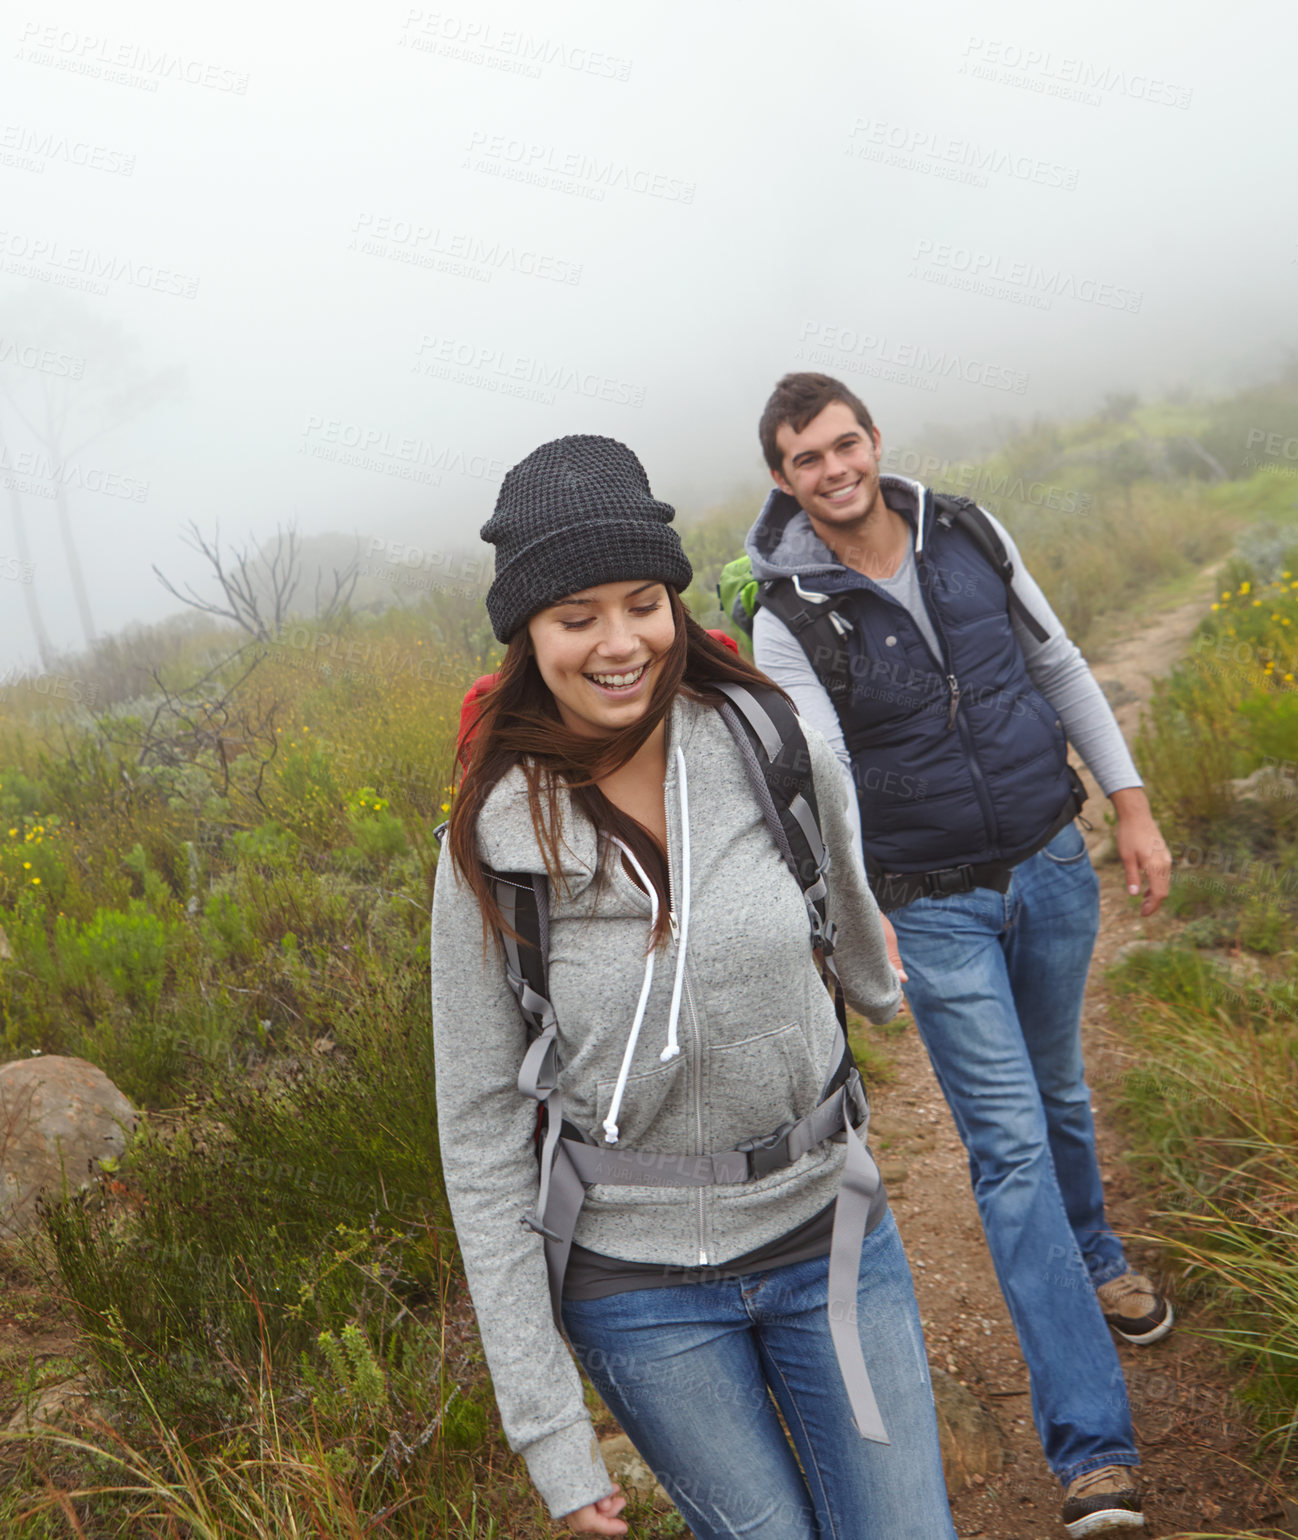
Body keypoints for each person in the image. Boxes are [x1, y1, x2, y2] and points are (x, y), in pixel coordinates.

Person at [431, 434, 957, 1539]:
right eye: (576, 618)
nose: (619, 644)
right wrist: (548, 1433)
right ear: (526, 634)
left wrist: (872, 987)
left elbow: (840, 893)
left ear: (674, 601)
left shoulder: (764, 738)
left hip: (829, 1234)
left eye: (641, 603)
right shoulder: (490, 836)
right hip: (639, 1295)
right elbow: (481, 1138)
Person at [744, 372, 1173, 1538]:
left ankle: (1095, 1252)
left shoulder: (969, 530)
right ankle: (1093, 1450)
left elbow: (1058, 665)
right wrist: (851, 903)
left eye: (844, 445)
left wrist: (1128, 805)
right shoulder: (786, 614)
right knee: (1008, 1150)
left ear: (872, 440)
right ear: (780, 478)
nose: (833, 471)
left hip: (1047, 861)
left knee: (1061, 1093)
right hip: (929, 908)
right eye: (805, 459)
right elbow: (821, 772)